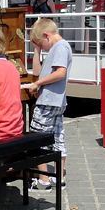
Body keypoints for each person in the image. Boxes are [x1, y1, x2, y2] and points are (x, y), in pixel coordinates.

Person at [27, 18, 72, 190]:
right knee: (57, 137)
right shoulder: (56, 48)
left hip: (48, 101)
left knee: (37, 137)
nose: (42, 46)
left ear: (47, 35)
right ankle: (59, 177)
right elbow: (37, 72)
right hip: (56, 101)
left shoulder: (60, 47)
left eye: (40, 43)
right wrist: (37, 50)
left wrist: (38, 84)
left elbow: (60, 73)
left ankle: (44, 179)